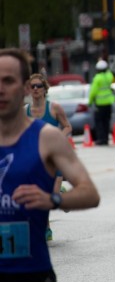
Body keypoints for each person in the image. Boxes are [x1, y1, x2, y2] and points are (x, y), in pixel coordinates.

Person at [0, 47, 100, 282]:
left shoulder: (47, 138)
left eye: (9, 81)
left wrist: (53, 199)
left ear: (25, 89)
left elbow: (89, 193)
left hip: (31, 270)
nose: (1, 89)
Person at [25, 73, 72, 240]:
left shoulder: (54, 108)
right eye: (33, 86)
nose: (36, 89)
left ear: (45, 89)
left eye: (39, 86)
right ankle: (46, 228)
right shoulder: (26, 111)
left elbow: (67, 126)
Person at [88, 59, 115, 145]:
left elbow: (93, 91)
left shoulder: (97, 78)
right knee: (106, 121)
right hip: (109, 103)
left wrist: (90, 102)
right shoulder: (109, 76)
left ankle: (101, 139)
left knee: (99, 122)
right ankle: (106, 138)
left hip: (99, 104)